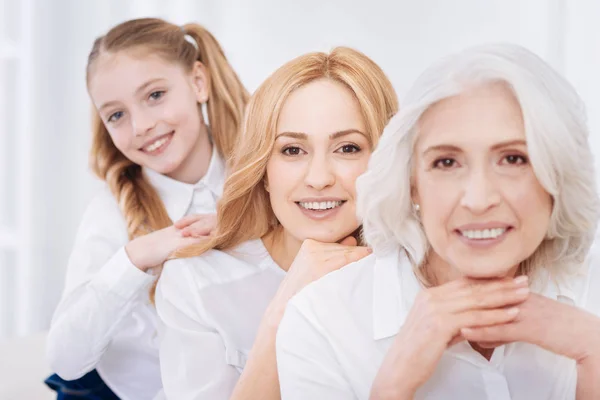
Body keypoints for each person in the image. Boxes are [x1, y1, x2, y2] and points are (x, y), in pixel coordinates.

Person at [276, 43, 600, 399]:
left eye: (513, 159)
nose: (478, 200)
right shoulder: (322, 323)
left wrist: (592, 352)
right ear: (412, 183)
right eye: (446, 163)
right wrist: (394, 384)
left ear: (556, 177)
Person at [155, 46, 398, 399]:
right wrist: (283, 307)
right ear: (264, 171)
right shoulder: (196, 282)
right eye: (292, 151)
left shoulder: (413, 271)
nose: (318, 178)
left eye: (347, 148)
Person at [45, 17, 249, 400]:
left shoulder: (264, 177)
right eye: (117, 115)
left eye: (155, 95)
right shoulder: (111, 211)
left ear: (198, 82)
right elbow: (64, 359)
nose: (140, 126)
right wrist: (135, 259)